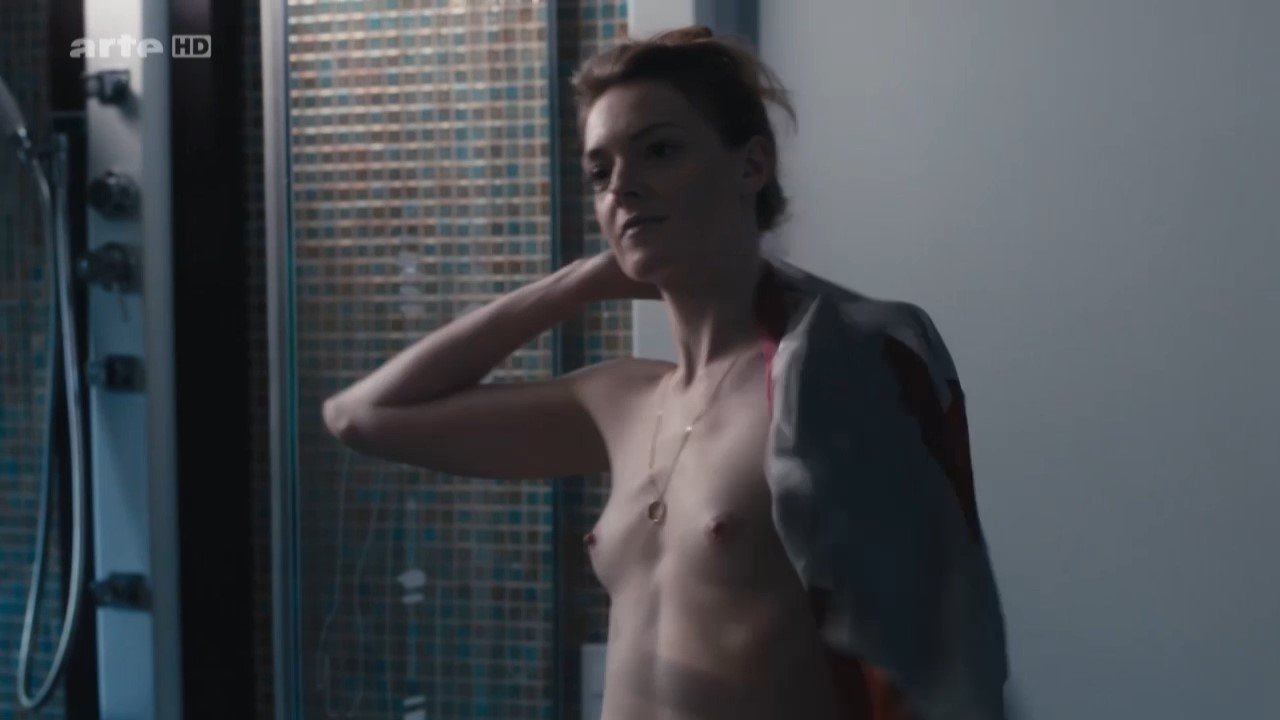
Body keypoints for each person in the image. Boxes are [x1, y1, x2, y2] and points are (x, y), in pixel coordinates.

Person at [323, 25, 1007, 720]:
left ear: (752, 166)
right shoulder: (619, 399)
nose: (622, 187)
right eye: (600, 172)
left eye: (660, 150)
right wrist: (576, 284)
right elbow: (362, 417)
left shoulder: (827, 380)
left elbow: (943, 660)